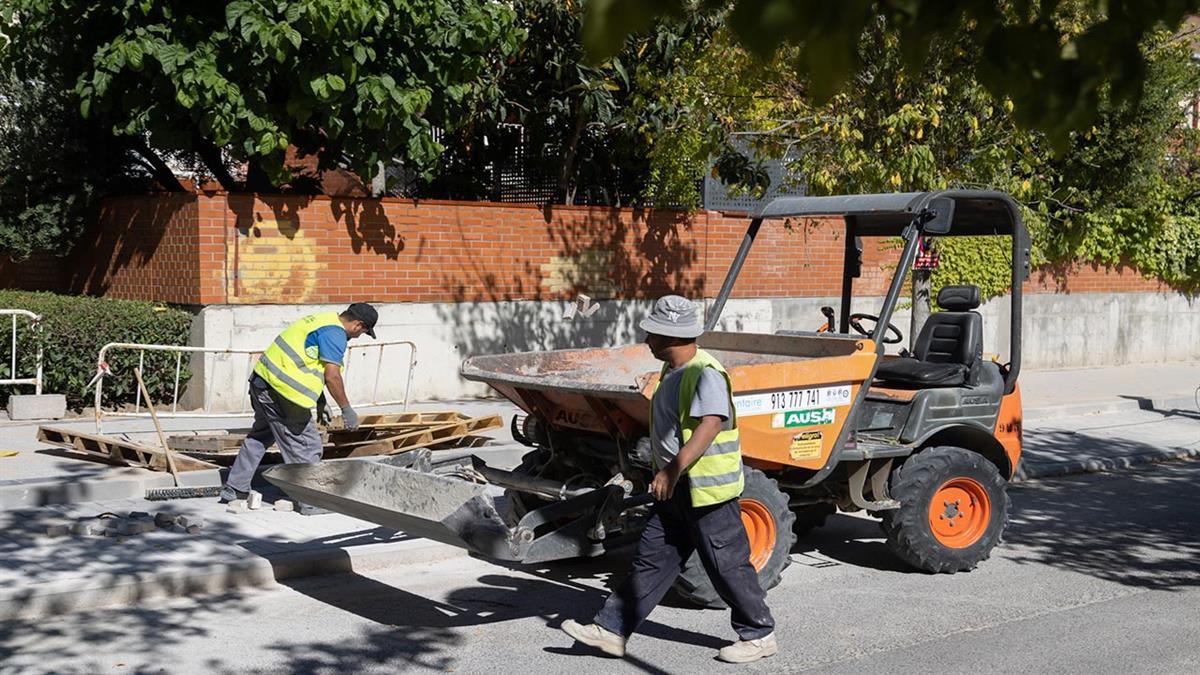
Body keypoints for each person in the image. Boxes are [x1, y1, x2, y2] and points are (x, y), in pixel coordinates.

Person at [560, 295, 777, 664]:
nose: (646, 338)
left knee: (727, 567)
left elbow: (710, 425)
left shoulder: (704, 372)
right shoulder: (672, 371)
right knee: (650, 561)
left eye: (653, 332)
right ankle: (612, 630)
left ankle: (759, 634)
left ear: (671, 337)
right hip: (678, 491)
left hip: (708, 493)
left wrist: (673, 468)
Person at [219, 303, 378, 513]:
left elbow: (307, 363)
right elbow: (332, 375)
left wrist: (320, 400)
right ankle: (310, 501)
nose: (359, 337)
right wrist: (346, 408)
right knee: (307, 446)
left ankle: (234, 488)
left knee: (261, 435)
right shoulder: (336, 334)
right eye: (364, 332)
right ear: (358, 325)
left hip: (262, 382)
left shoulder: (322, 320)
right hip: (283, 395)